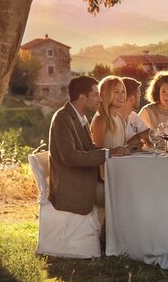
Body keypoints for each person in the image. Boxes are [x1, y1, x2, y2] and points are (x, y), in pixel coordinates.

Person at [49, 76, 132, 232]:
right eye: (96, 95)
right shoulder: (62, 118)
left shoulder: (81, 117)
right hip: (73, 187)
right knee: (120, 194)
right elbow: (70, 156)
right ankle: (109, 241)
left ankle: (113, 239)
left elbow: (88, 148)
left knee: (124, 189)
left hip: (86, 180)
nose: (100, 99)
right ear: (82, 97)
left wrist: (112, 152)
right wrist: (107, 154)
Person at [90, 76, 128, 150]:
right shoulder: (101, 119)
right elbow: (97, 152)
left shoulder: (120, 119)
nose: (122, 95)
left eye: (123, 91)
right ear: (106, 94)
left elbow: (123, 149)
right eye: (116, 92)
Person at [117, 77, 150, 148]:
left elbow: (147, 134)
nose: (139, 99)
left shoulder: (133, 116)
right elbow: (115, 149)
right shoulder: (111, 118)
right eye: (139, 96)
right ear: (132, 99)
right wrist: (138, 137)